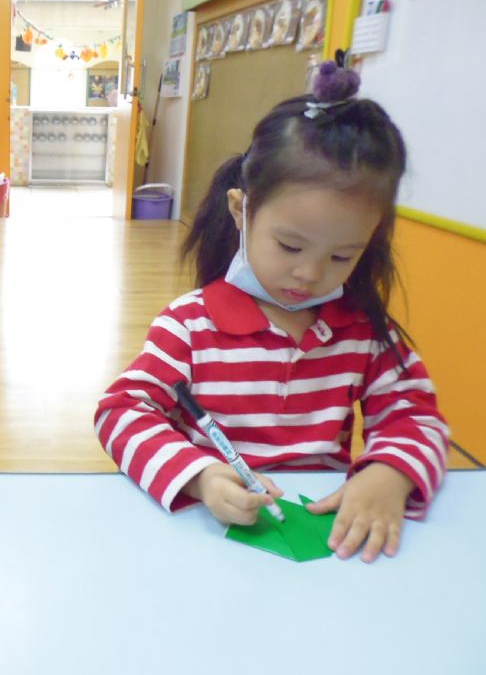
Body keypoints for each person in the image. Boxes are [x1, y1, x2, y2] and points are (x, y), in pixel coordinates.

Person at [94, 61, 449, 564]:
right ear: (240, 210)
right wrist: (200, 475)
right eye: (289, 246)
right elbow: (121, 413)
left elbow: (416, 416)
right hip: (210, 538)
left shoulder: (365, 333)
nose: (309, 274)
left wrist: (389, 473)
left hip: (326, 545)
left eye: (342, 256)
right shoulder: (190, 326)